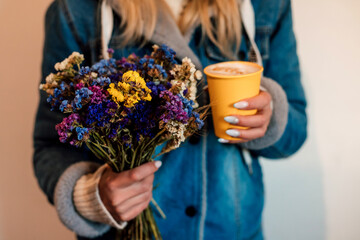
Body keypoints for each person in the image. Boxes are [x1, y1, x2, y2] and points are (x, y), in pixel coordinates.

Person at [33, 0, 307, 239]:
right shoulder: (77, 10)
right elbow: (52, 145)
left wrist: (268, 117)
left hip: (232, 230)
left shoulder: (266, 5)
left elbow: (296, 130)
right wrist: (91, 197)